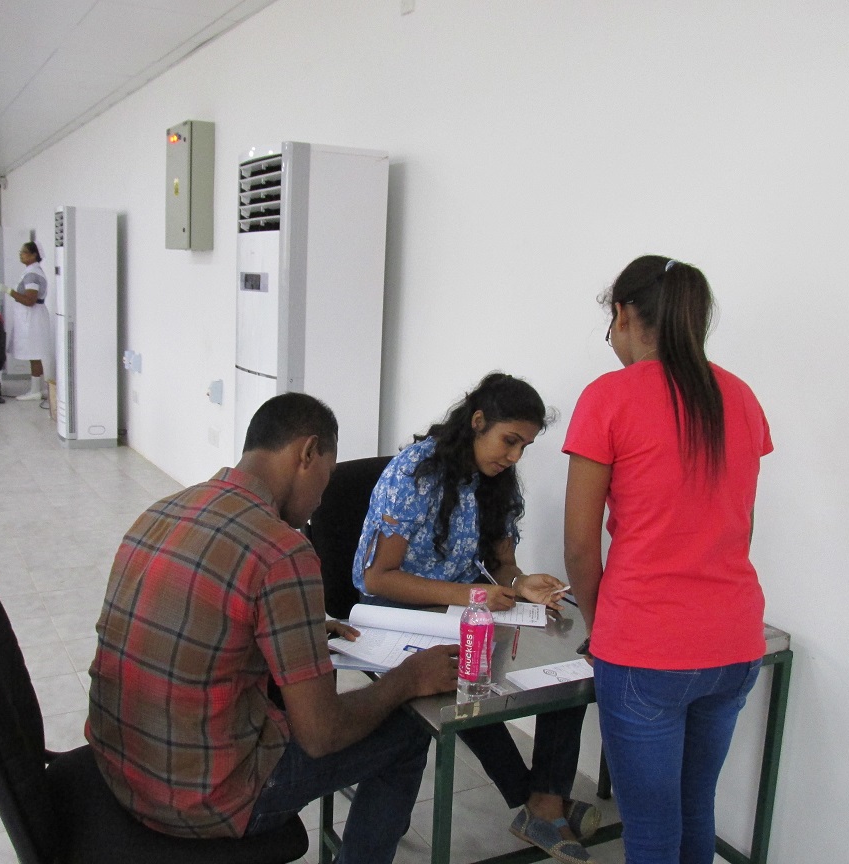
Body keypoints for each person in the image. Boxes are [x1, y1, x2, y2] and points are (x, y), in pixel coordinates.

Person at [87, 392, 458, 864]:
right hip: (204, 800)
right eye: (325, 479)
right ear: (308, 453)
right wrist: (408, 679)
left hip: (118, 769)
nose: (319, 502)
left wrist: (294, 628)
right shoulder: (283, 550)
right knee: (407, 733)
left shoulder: (163, 510)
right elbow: (322, 735)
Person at [562, 256, 772, 864]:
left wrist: (601, 625)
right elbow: (741, 524)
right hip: (735, 642)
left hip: (645, 647)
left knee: (652, 831)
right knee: (695, 808)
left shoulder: (608, 397)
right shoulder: (740, 395)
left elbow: (579, 544)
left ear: (623, 314)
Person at [353, 372, 600, 864]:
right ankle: (539, 802)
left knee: (568, 669)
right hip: (401, 613)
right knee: (465, 678)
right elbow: (377, 578)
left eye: (524, 446)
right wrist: (472, 595)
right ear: (478, 421)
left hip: (467, 608)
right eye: (510, 441)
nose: (514, 457)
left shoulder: (497, 481)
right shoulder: (415, 473)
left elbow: (502, 565)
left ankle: (544, 800)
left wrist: (520, 583)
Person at [5, 241, 52, 401]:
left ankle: (35, 390)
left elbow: (30, 300)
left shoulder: (32, 274)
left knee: (34, 353)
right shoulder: (32, 271)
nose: (21, 254)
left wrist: (10, 292)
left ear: (34, 255)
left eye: (24, 252)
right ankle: (39, 388)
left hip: (32, 318)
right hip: (32, 317)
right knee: (35, 353)